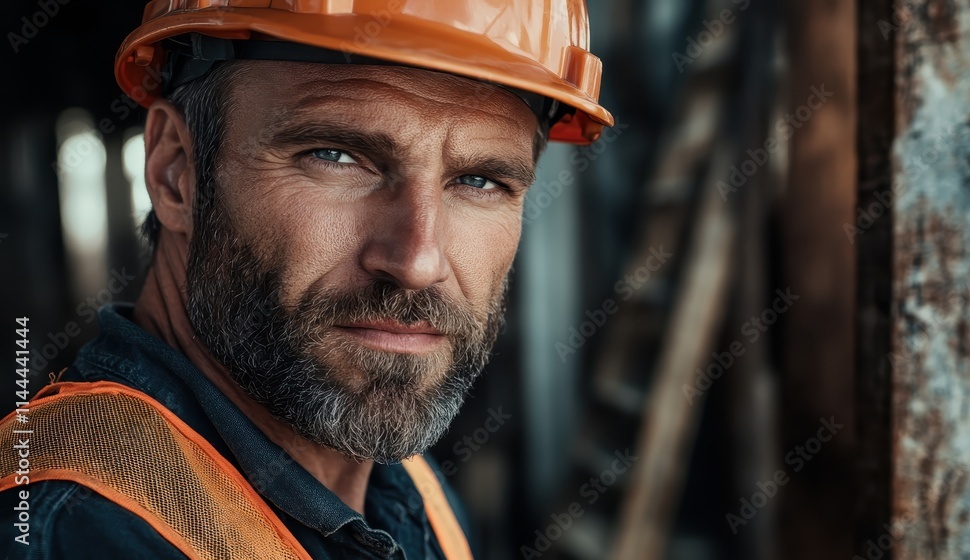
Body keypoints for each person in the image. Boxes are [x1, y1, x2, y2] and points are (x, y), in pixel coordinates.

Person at [0, 1, 612, 558]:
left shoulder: (406, 490)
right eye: (337, 156)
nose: (417, 260)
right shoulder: (76, 532)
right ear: (174, 172)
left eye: (480, 181)